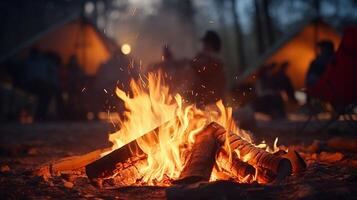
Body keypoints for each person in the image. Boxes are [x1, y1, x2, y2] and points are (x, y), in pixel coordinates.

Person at [190, 30, 226, 107]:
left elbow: (193, 65)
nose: (203, 46)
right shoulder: (215, 62)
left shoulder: (213, 62)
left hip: (211, 110)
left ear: (210, 45)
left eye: (205, 44)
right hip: (210, 108)